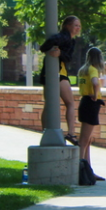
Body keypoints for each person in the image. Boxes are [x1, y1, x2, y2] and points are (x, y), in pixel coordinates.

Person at [39, 15, 81, 144]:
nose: (78, 28)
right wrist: (56, 50)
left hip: (55, 72)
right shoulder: (62, 37)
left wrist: (60, 53)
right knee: (69, 103)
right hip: (57, 73)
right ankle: (71, 133)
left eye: (79, 26)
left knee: (50, 104)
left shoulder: (70, 40)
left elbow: (67, 57)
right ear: (67, 26)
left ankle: (46, 131)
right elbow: (45, 46)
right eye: (75, 25)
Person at [75, 47, 106, 181]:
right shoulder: (93, 69)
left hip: (84, 101)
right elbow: (95, 82)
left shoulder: (83, 70)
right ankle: (79, 170)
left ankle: (88, 170)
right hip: (91, 103)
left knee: (86, 140)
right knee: (84, 140)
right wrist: (95, 94)